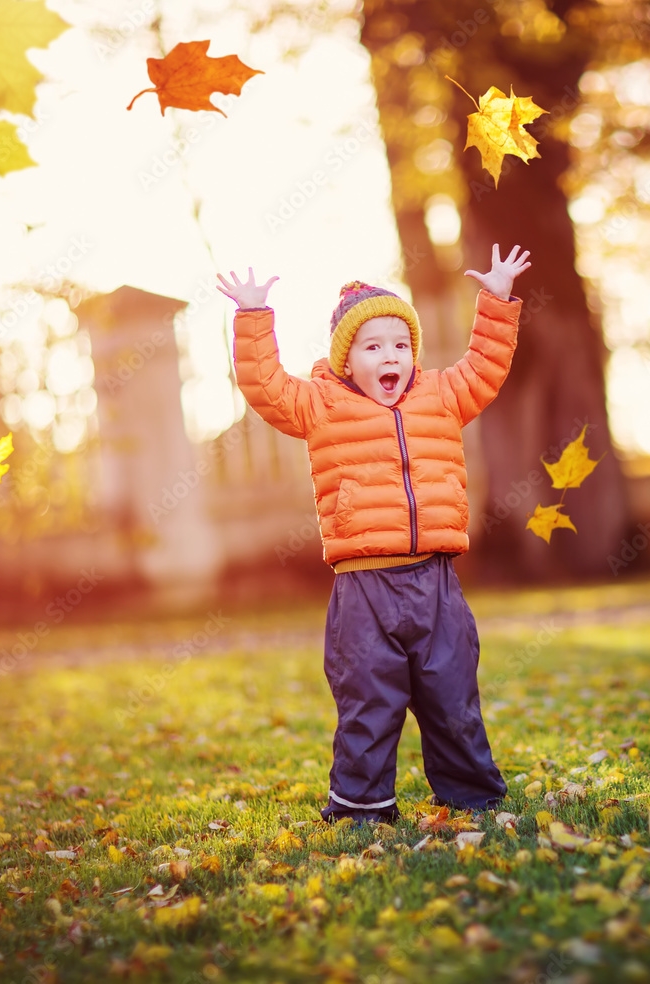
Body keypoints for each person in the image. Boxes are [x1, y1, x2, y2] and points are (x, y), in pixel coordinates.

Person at [217, 244, 531, 823]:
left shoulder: (440, 396)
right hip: (364, 590)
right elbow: (265, 387)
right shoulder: (320, 405)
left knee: (452, 694)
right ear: (346, 359)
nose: (392, 356)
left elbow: (486, 368)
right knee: (368, 700)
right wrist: (253, 318)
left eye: (401, 344)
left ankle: (471, 795)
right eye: (374, 346)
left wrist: (498, 300)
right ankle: (362, 806)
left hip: (436, 582)